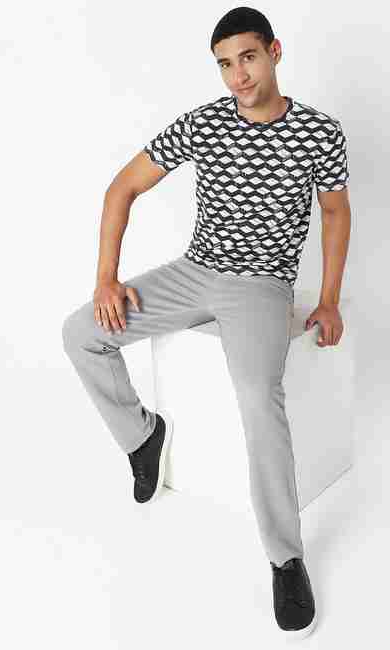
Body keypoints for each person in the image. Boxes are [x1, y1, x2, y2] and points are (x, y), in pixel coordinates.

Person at [62, 6, 351, 638]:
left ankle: (286, 558)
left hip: (261, 286)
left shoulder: (318, 132)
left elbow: (334, 213)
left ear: (274, 52)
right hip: (194, 271)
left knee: (257, 397)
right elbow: (121, 189)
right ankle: (142, 438)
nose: (238, 76)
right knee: (80, 333)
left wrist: (328, 299)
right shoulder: (204, 122)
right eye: (224, 64)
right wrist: (107, 278)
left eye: (248, 58)